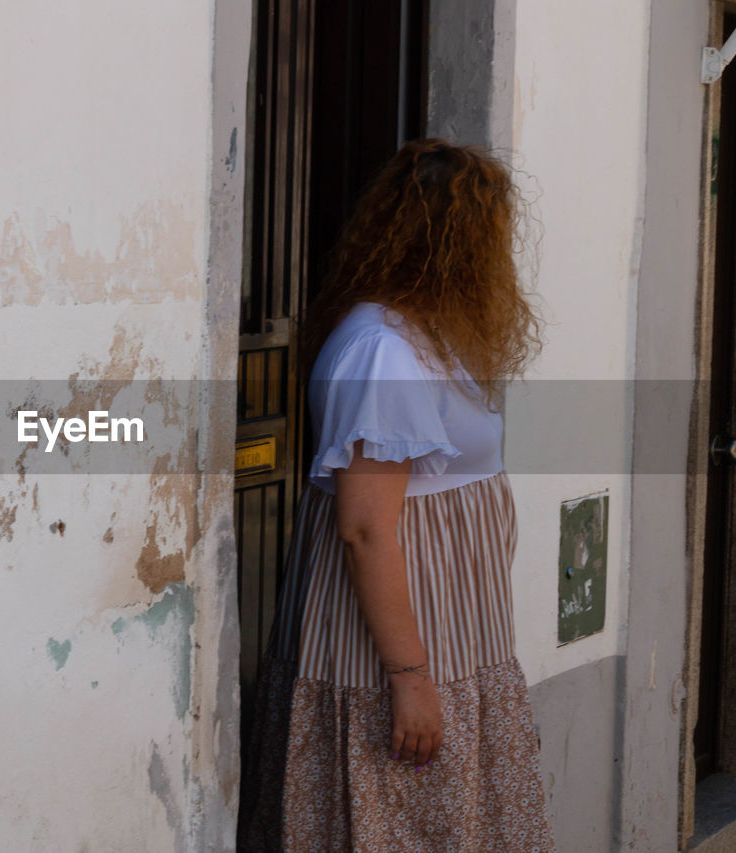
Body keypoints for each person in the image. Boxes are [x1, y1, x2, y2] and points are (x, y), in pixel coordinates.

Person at [238, 138, 555, 851]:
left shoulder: (430, 337)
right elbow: (367, 529)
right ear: (456, 241)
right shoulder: (383, 350)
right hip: (395, 655)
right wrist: (411, 678)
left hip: (459, 642)